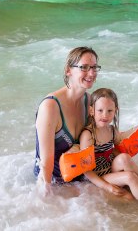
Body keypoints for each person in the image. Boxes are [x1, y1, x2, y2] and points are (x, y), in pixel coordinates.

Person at [34, 47, 100, 194]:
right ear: (68, 70)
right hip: (54, 182)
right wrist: (47, 196)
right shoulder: (50, 106)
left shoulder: (88, 101)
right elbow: (46, 163)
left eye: (94, 68)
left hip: (80, 177)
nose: (91, 73)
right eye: (84, 67)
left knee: (126, 190)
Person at [79, 88, 138, 204]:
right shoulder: (88, 135)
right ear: (92, 111)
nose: (105, 115)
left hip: (109, 169)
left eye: (109, 111)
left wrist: (135, 173)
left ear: (115, 111)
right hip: (96, 177)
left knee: (124, 157)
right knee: (129, 181)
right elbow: (86, 170)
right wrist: (107, 187)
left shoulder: (111, 130)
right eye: (100, 110)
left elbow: (116, 151)